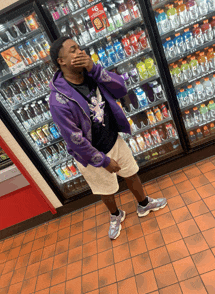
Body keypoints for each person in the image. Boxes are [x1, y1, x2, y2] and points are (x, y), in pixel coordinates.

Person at [49, 36, 167, 240]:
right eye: (73, 50)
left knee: (131, 173)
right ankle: (115, 215)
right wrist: (102, 161)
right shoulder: (58, 99)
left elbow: (121, 88)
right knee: (106, 189)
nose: (80, 52)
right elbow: (73, 139)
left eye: (80, 48)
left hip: (114, 139)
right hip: (90, 155)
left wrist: (95, 68)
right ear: (61, 61)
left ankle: (143, 204)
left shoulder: (91, 73)